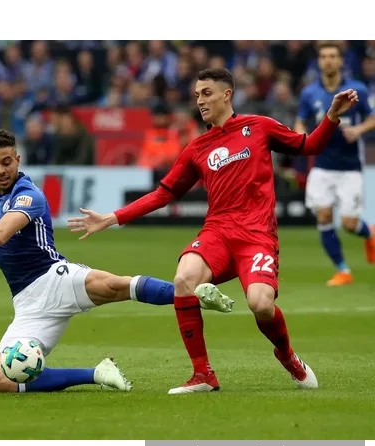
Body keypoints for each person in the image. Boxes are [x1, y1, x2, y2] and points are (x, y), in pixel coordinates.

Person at [0, 97, 234, 394]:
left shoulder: (29, 195)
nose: (1, 170)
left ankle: (194, 295)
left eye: (6, 162)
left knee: (115, 286)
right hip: (27, 304)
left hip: (54, 279)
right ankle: (98, 373)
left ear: (18, 159)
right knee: (4, 381)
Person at [67, 67, 358, 395]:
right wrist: (112, 217)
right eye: (196, 95)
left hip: (257, 235)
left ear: (227, 94)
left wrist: (332, 116)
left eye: (206, 93)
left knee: (261, 305)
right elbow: (163, 194)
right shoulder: (197, 148)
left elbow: (309, 145)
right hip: (217, 233)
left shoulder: (259, 127)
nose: (200, 101)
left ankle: (287, 356)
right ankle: (202, 374)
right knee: (183, 279)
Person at [294, 42, 375, 286]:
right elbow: (301, 120)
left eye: (332, 56)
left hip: (350, 166)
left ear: (341, 61)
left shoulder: (356, 89)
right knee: (324, 217)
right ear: (319, 62)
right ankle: (343, 270)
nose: (328, 60)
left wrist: (358, 130)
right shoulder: (310, 93)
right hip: (321, 165)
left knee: (349, 223)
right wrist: (301, 135)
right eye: (324, 56)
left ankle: (370, 233)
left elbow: (372, 118)